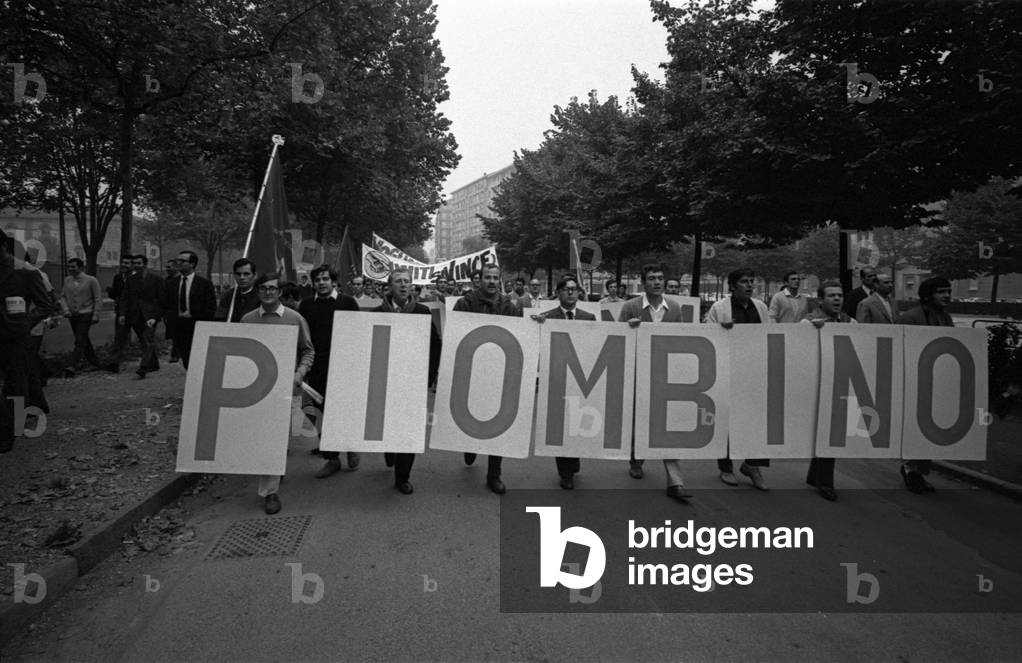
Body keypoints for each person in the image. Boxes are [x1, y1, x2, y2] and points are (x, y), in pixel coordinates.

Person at [241, 272, 315, 514]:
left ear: (280, 292)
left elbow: (307, 351)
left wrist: (299, 374)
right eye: (263, 288)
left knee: (280, 437)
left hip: (286, 389)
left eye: (272, 288)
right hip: (256, 391)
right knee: (266, 437)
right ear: (258, 291)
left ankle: (274, 466)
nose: (268, 292)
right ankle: (270, 492)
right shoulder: (247, 320)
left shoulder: (295, 318)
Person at [619, 264, 691, 500]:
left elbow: (682, 341)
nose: (657, 282)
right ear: (644, 283)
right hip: (640, 372)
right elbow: (617, 337)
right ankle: (636, 458)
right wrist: (628, 329)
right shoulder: (631, 306)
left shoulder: (675, 308)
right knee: (640, 420)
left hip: (666, 375)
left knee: (666, 424)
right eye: (652, 278)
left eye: (660, 278)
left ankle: (675, 480)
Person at [453, 263, 522, 494]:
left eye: (495, 278)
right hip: (472, 373)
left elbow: (520, 336)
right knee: (471, 415)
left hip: (499, 373)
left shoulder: (509, 307)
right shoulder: (464, 304)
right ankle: (469, 444)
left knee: (498, 424)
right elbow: (455, 335)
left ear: (499, 280)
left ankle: (494, 475)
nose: (491, 281)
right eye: (487, 277)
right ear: (479, 279)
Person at [373, 268, 442, 494]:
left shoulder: (422, 312)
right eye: (398, 281)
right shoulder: (376, 314)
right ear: (389, 286)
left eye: (406, 281)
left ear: (412, 286)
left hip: (413, 383)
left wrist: (428, 378)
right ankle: (389, 450)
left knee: (409, 429)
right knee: (387, 425)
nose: (403, 285)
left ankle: (403, 477)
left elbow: (435, 346)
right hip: (385, 381)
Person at [705, 268, 772, 490]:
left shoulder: (761, 308)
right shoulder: (719, 308)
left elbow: (771, 335)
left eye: (752, 281)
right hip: (728, 371)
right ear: (732, 286)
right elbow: (706, 336)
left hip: (754, 372)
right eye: (744, 282)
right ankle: (726, 467)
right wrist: (720, 330)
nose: (750, 285)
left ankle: (752, 464)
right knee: (726, 420)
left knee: (756, 420)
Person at [531, 276, 595, 489]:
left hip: (582, 381)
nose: (570, 293)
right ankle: (565, 472)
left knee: (577, 423)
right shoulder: (546, 318)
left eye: (574, 289)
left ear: (579, 293)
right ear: (558, 293)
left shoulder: (590, 318)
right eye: (566, 290)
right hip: (556, 380)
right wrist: (535, 325)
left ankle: (574, 458)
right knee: (560, 425)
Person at [298, 265, 361, 478]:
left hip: (344, 366)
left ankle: (351, 446)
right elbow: (303, 338)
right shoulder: (305, 306)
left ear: (333, 281)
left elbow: (358, 334)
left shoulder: (347, 303)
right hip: (317, 367)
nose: (322, 283)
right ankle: (332, 459)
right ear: (313, 283)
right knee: (318, 411)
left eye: (325, 278)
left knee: (342, 410)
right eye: (317, 279)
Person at [1, 229, 58, 453]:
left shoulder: (25, 271)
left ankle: (10, 430)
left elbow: (45, 305)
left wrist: (24, 322)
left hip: (14, 335)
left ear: (3, 247)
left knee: (16, 380)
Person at [896, 276, 953, 494]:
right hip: (913, 383)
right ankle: (911, 469)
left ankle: (918, 472)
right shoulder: (910, 318)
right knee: (914, 429)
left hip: (934, 384)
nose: (947, 295)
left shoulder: (946, 319)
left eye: (948, 291)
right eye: (941, 291)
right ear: (928, 295)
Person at [801, 280, 854, 501]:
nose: (837, 299)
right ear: (821, 300)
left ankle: (815, 475)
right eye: (832, 296)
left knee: (831, 430)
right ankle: (825, 482)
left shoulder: (851, 322)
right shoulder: (808, 323)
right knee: (827, 431)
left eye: (840, 295)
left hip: (841, 382)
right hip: (817, 382)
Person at [163, 250, 217, 369]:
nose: (178, 263)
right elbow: (166, 303)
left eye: (182, 261)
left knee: (199, 355)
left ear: (192, 264)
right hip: (179, 325)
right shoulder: (171, 283)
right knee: (185, 356)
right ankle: (191, 379)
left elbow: (211, 307)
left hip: (197, 324)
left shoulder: (204, 284)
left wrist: (204, 323)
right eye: (177, 260)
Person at [116, 254, 164, 378]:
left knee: (147, 338)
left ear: (145, 264)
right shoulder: (131, 280)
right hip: (135, 315)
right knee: (143, 340)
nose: (136, 266)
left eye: (139, 263)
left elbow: (161, 299)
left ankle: (144, 367)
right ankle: (153, 364)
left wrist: (157, 315)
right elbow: (124, 298)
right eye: (135, 263)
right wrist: (122, 314)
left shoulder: (156, 279)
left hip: (150, 315)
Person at [60, 257, 103, 376]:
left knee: (79, 340)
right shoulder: (67, 280)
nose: (70, 269)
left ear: (81, 267)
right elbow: (62, 296)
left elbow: (98, 298)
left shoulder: (91, 280)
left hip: (86, 314)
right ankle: (95, 363)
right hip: (73, 315)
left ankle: (71, 366)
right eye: (69, 266)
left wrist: (96, 315)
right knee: (84, 339)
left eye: (73, 266)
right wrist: (66, 310)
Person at [106, 256, 133, 369]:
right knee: (119, 337)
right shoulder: (117, 278)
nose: (124, 265)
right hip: (121, 311)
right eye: (122, 262)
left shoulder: (137, 277)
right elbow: (116, 294)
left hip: (136, 311)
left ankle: (151, 362)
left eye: (127, 263)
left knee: (144, 337)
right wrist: (111, 292)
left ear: (132, 265)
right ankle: (114, 363)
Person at [163, 258, 181, 363]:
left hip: (181, 311)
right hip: (170, 312)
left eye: (169, 267)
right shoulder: (167, 281)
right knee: (174, 334)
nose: (167, 269)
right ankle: (176, 353)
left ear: (176, 267)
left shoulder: (182, 280)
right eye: (166, 267)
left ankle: (176, 354)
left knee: (179, 333)